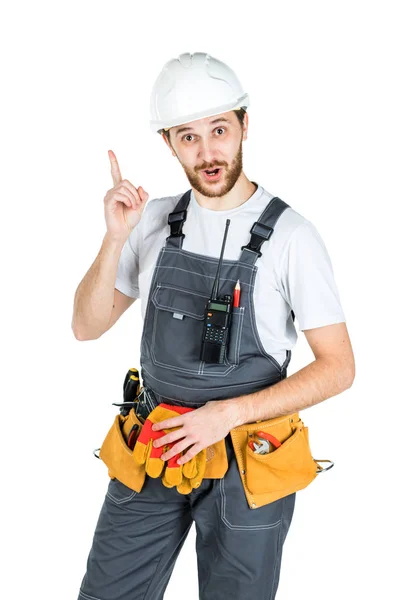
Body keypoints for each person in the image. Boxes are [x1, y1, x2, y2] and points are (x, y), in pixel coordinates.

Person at [72, 52, 355, 600]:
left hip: (246, 461)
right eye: (188, 136)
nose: (208, 152)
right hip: (154, 447)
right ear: (169, 143)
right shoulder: (152, 221)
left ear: (245, 125)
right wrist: (114, 237)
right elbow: (86, 326)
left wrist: (226, 415)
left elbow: (340, 367)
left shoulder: (292, 237)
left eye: (219, 129)